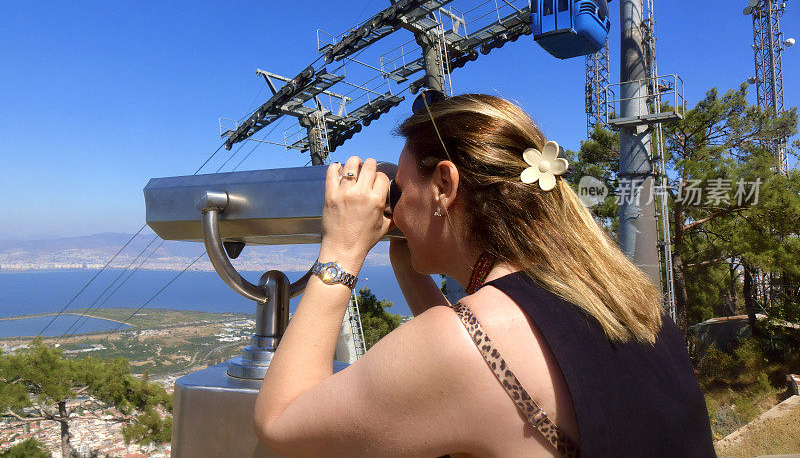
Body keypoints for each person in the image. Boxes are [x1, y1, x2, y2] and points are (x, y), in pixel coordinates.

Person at [253, 93, 715, 457]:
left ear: (445, 185)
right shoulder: (617, 294)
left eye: (402, 186)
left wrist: (342, 248)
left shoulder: (466, 344)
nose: (395, 200)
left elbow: (280, 421)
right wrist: (406, 258)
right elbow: (471, 356)